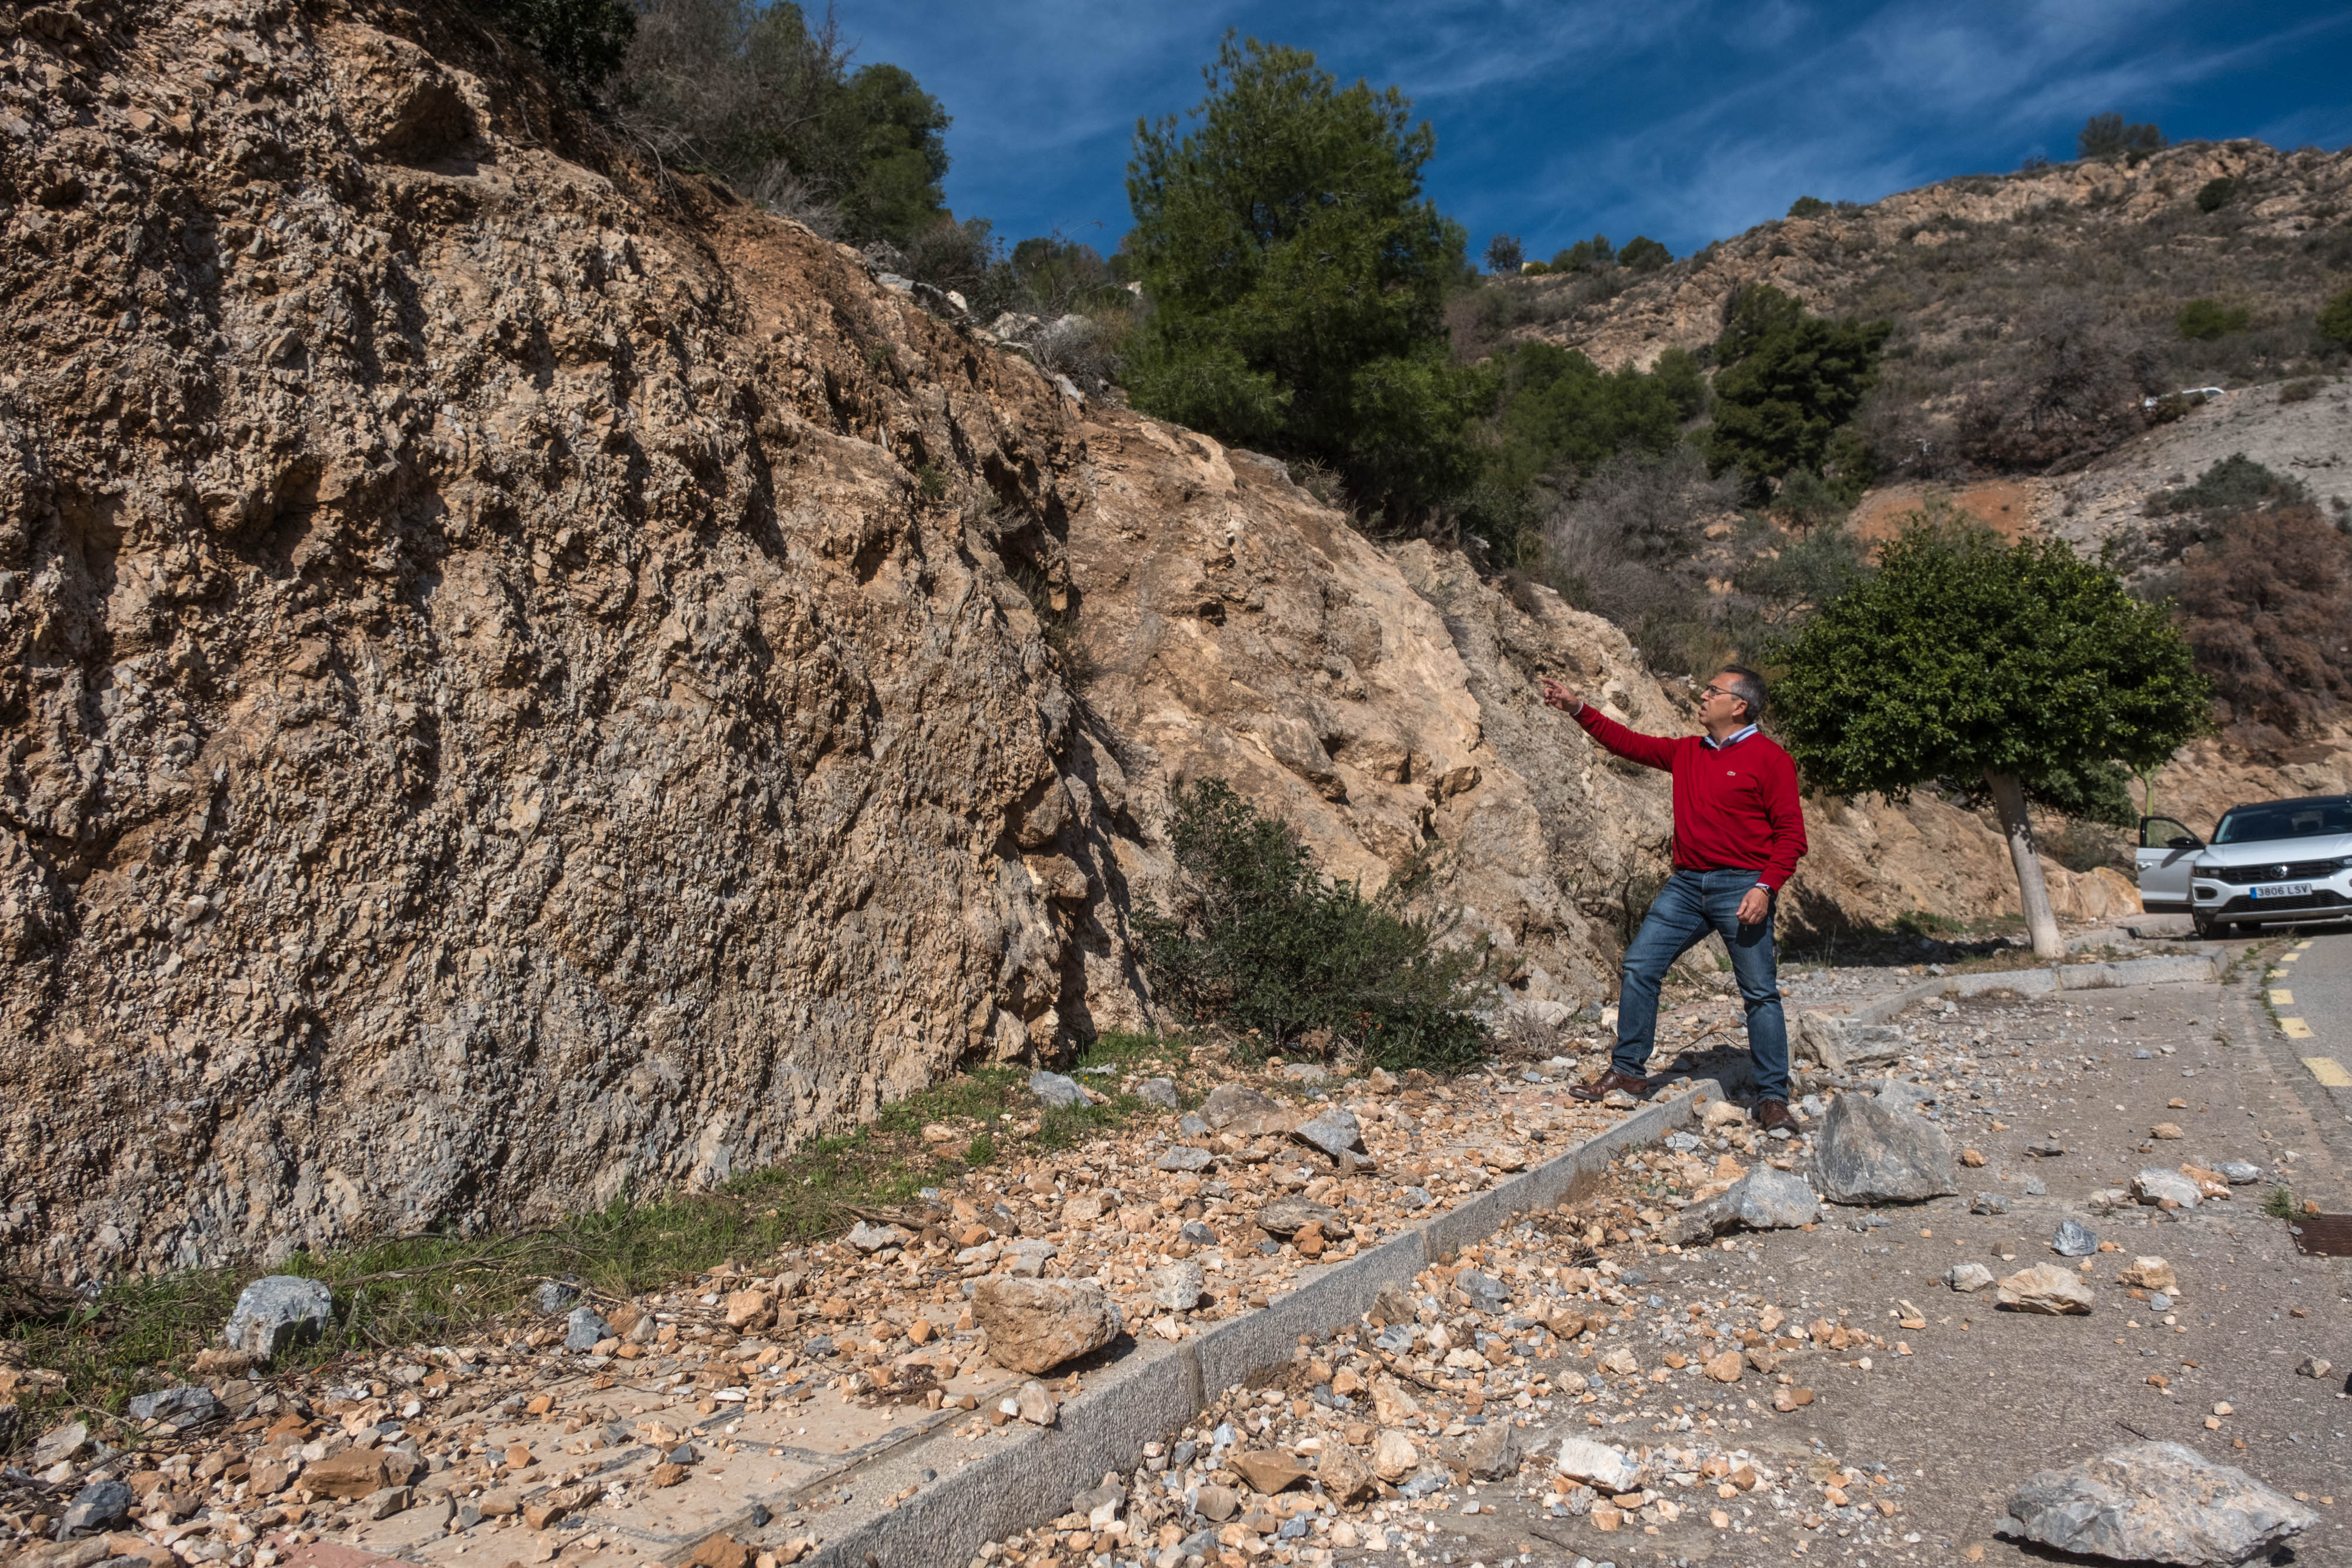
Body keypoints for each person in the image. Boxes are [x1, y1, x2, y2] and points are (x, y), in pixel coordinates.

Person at [1541, 665, 1808, 1131]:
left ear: (1739, 705)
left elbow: (1791, 836)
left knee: (1760, 993)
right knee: (1641, 965)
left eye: (1712, 690)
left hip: (1743, 885)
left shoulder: (1771, 759)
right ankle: (1628, 1072)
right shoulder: (1689, 751)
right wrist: (1578, 708)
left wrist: (1766, 887)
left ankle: (1772, 1097)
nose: (1702, 696)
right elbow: (1629, 744)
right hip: (1686, 885)